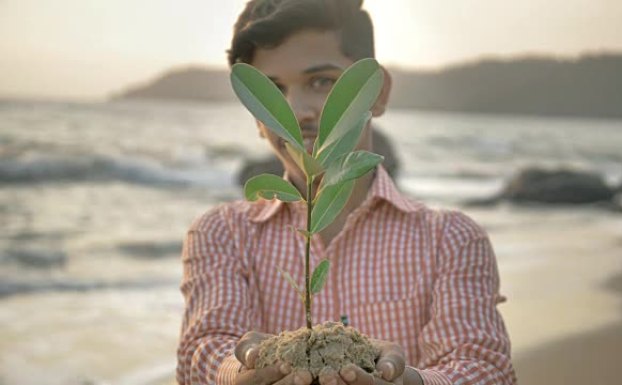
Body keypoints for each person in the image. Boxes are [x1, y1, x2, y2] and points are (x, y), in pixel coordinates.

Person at [176, 0, 517, 384]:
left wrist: (409, 381)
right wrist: (240, 371)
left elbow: (485, 368)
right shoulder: (223, 232)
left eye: (321, 82)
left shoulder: (449, 238)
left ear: (377, 92)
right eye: (272, 93)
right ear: (257, 114)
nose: (297, 111)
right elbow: (202, 351)